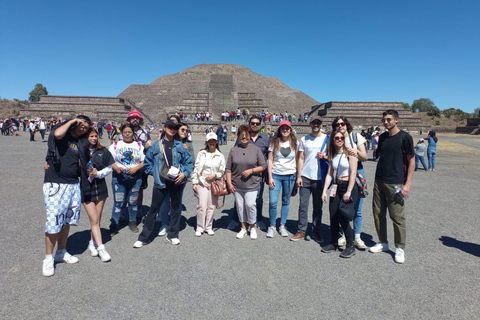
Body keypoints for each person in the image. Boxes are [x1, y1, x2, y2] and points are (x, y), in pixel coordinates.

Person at [42, 115, 91, 277]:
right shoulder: (63, 136)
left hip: (73, 184)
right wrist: (72, 121)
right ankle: (48, 258)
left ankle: (61, 251)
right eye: (80, 123)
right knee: (54, 220)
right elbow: (56, 134)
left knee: (67, 220)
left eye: (86, 125)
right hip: (56, 183)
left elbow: (83, 162)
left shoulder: (81, 143)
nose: (82, 126)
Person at [133, 120, 193, 247]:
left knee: (176, 209)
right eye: (170, 127)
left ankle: (173, 235)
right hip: (161, 181)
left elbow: (189, 163)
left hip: (177, 181)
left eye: (175, 128)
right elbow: (147, 162)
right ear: (165, 128)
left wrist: (184, 174)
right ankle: (144, 237)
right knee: (154, 209)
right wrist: (154, 173)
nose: (172, 129)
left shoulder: (181, 146)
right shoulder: (156, 145)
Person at [369, 109, 415, 264]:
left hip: (395, 181)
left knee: (397, 216)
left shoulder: (405, 137)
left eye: (388, 119)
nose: (386, 122)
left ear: (396, 119)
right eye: (384, 120)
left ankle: (400, 247)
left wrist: (407, 184)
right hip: (379, 180)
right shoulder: (382, 137)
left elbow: (411, 161)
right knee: (378, 213)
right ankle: (383, 242)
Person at [320, 129, 358, 258]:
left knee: (344, 216)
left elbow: (353, 173)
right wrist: (324, 190)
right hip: (337, 185)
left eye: (341, 137)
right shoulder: (333, 154)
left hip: (348, 186)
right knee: (333, 214)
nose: (339, 140)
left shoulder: (350, 153)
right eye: (336, 138)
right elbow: (330, 174)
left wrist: (349, 191)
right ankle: (333, 243)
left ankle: (350, 246)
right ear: (333, 140)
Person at [332, 116, 368, 249]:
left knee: (357, 208)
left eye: (342, 123)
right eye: (337, 124)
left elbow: (365, 157)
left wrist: (356, 151)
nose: (340, 126)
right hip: (342, 176)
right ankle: (344, 234)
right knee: (342, 208)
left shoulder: (355, 136)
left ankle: (357, 236)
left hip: (357, 174)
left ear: (347, 125)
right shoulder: (336, 139)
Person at [291, 115, 328, 242]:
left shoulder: (327, 139)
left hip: (319, 177)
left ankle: (316, 231)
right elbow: (300, 158)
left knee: (318, 207)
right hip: (306, 176)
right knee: (303, 205)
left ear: (321, 124)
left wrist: (325, 156)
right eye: (314, 123)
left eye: (318, 122)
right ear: (310, 124)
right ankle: (301, 230)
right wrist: (299, 176)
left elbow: (333, 156)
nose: (316, 125)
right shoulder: (304, 139)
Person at [226, 125, 266, 239]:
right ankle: (243, 227)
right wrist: (229, 183)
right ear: (238, 136)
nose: (244, 137)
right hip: (237, 184)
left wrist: (251, 171)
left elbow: (263, 166)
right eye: (242, 135)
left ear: (249, 135)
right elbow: (228, 168)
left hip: (252, 183)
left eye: (246, 135)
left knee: (250, 204)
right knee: (240, 206)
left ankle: (252, 226)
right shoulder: (234, 150)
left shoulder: (256, 149)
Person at [83, 127, 114, 262]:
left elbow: (109, 167)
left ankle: (92, 242)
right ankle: (101, 248)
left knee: (97, 219)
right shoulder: (80, 152)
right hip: (86, 188)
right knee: (94, 219)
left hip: (100, 187)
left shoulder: (103, 151)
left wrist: (98, 174)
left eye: (95, 136)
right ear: (85, 138)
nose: (94, 138)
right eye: (91, 136)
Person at [108, 123, 145, 234]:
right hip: (119, 177)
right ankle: (114, 223)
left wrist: (136, 168)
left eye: (129, 132)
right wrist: (116, 167)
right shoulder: (115, 145)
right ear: (122, 133)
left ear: (133, 133)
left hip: (135, 176)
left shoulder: (139, 146)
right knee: (118, 201)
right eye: (125, 132)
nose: (127, 134)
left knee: (133, 201)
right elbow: (109, 160)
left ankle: (132, 221)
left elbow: (144, 161)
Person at [266, 120, 297, 238]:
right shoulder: (274, 142)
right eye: (283, 128)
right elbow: (270, 160)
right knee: (273, 202)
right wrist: (270, 177)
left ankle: (282, 225)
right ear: (279, 129)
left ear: (290, 130)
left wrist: (298, 175)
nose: (285, 130)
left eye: (287, 128)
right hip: (276, 175)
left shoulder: (295, 143)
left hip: (290, 175)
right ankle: (272, 226)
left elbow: (299, 159)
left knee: (286, 201)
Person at [192, 132, 226, 236]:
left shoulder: (220, 156)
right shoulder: (201, 153)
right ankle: (200, 227)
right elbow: (196, 168)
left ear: (217, 142)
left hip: (214, 182)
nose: (212, 143)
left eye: (213, 141)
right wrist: (195, 182)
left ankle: (209, 226)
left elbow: (222, 171)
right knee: (202, 205)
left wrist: (214, 175)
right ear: (207, 142)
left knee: (211, 205)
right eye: (209, 141)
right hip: (202, 181)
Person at [120, 111, 153, 215]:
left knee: (140, 190)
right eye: (132, 118)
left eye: (137, 118)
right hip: (126, 165)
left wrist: (148, 147)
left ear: (140, 120)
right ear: (129, 120)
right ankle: (123, 212)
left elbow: (149, 150)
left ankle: (138, 211)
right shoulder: (124, 132)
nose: (135, 119)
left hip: (140, 167)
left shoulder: (145, 133)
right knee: (124, 189)